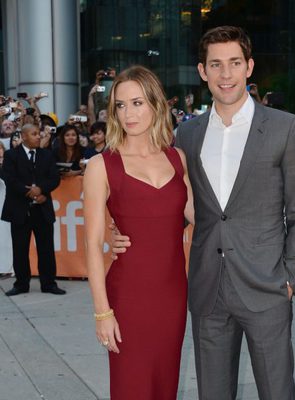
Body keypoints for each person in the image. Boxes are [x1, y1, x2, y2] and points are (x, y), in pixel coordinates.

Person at [112, 26, 295, 400]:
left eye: (234, 63)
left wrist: (292, 275)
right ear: (202, 71)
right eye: (216, 65)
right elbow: (166, 202)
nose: (226, 75)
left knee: (277, 392)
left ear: (249, 67)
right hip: (208, 289)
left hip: (267, 286)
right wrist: (117, 230)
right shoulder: (186, 136)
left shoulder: (285, 129)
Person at [83, 65, 194, 399]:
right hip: (128, 297)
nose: (128, 113)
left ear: (156, 105)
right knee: (132, 388)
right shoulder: (102, 166)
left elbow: (202, 217)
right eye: (120, 105)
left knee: (164, 386)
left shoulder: (177, 159)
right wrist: (102, 313)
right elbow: (91, 246)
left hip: (173, 295)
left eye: (137, 103)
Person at [1, 124, 65, 296]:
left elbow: (54, 178)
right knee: (20, 248)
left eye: (39, 133)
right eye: (34, 134)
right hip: (19, 210)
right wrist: (31, 193)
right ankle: (21, 284)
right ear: (24, 136)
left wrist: (42, 190)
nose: (39, 136)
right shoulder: (11, 155)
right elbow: (9, 178)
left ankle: (49, 283)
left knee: (46, 248)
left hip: (42, 210)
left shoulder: (47, 155)